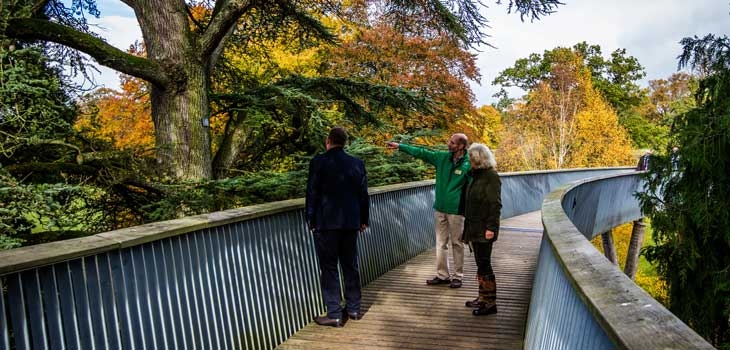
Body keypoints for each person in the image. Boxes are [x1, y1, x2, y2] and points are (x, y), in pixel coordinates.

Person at [386, 133, 470, 288]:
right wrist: (400, 146)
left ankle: (458, 276)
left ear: (460, 146)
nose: (448, 143)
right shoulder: (442, 158)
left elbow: (473, 187)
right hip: (439, 207)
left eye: (451, 142)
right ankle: (442, 275)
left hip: (456, 210)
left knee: (457, 243)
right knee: (440, 243)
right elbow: (422, 152)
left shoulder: (468, 164)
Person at [306, 127, 370, 327]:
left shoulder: (318, 163)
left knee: (329, 268)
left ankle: (334, 313)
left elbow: (312, 192)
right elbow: (363, 195)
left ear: (328, 141)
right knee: (350, 265)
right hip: (350, 223)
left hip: (326, 223)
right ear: (344, 142)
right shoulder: (357, 163)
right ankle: (354, 309)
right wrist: (363, 219)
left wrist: (310, 218)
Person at [461, 143, 502, 316]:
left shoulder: (491, 176)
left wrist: (491, 228)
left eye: (471, 158)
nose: (468, 161)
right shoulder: (476, 176)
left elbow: (495, 204)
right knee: (480, 263)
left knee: (484, 263)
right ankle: (482, 297)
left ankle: (490, 303)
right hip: (474, 227)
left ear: (478, 159)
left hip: (484, 228)